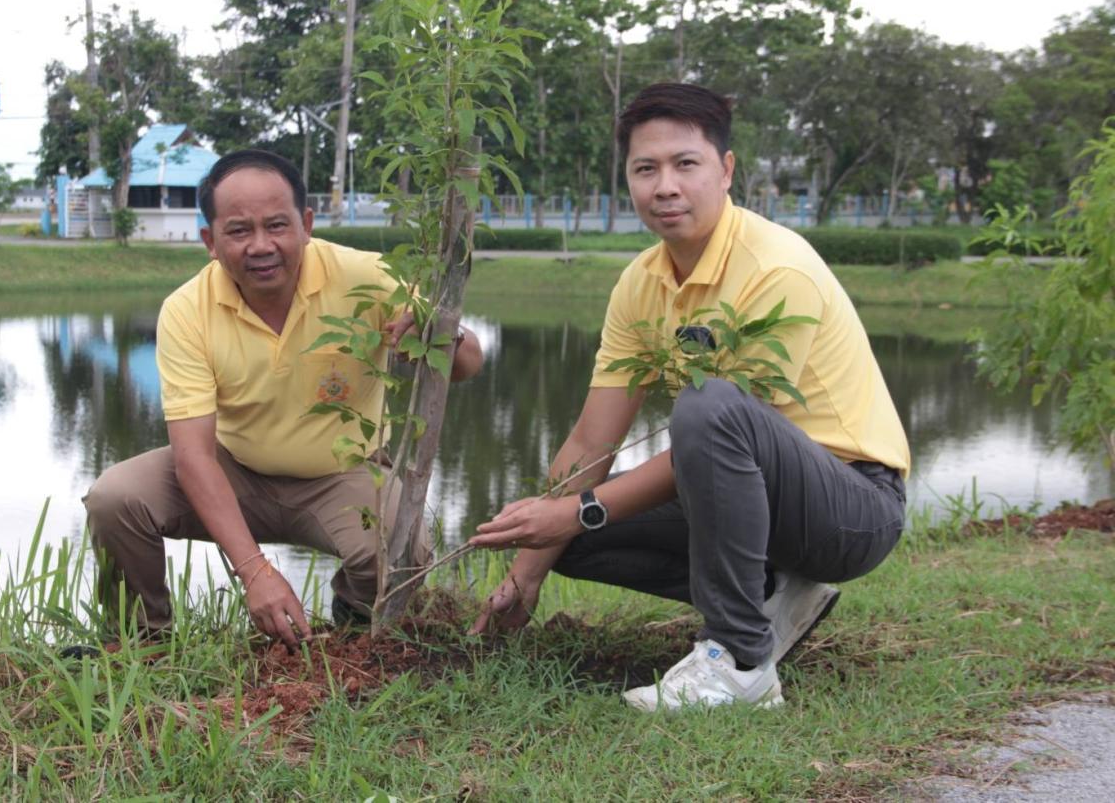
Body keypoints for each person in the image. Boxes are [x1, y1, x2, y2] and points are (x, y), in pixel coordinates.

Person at [468, 83, 910, 711]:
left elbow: (725, 433)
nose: (665, 186)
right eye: (645, 169)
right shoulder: (640, 282)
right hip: (758, 500)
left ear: (726, 170)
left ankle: (742, 665)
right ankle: (770, 596)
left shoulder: (774, 268)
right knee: (567, 536)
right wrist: (527, 573)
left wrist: (578, 510)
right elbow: (593, 439)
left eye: (685, 164)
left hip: (851, 506)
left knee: (706, 407)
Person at [84, 149, 484, 650]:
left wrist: (440, 333)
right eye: (238, 231)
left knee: (400, 549)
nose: (261, 245)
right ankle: (141, 643)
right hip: (234, 468)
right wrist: (254, 571)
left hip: (342, 473)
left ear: (306, 224)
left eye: (277, 225)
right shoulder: (186, 311)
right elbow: (192, 456)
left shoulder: (368, 278)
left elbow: (468, 367)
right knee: (116, 498)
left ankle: (355, 619)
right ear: (209, 241)